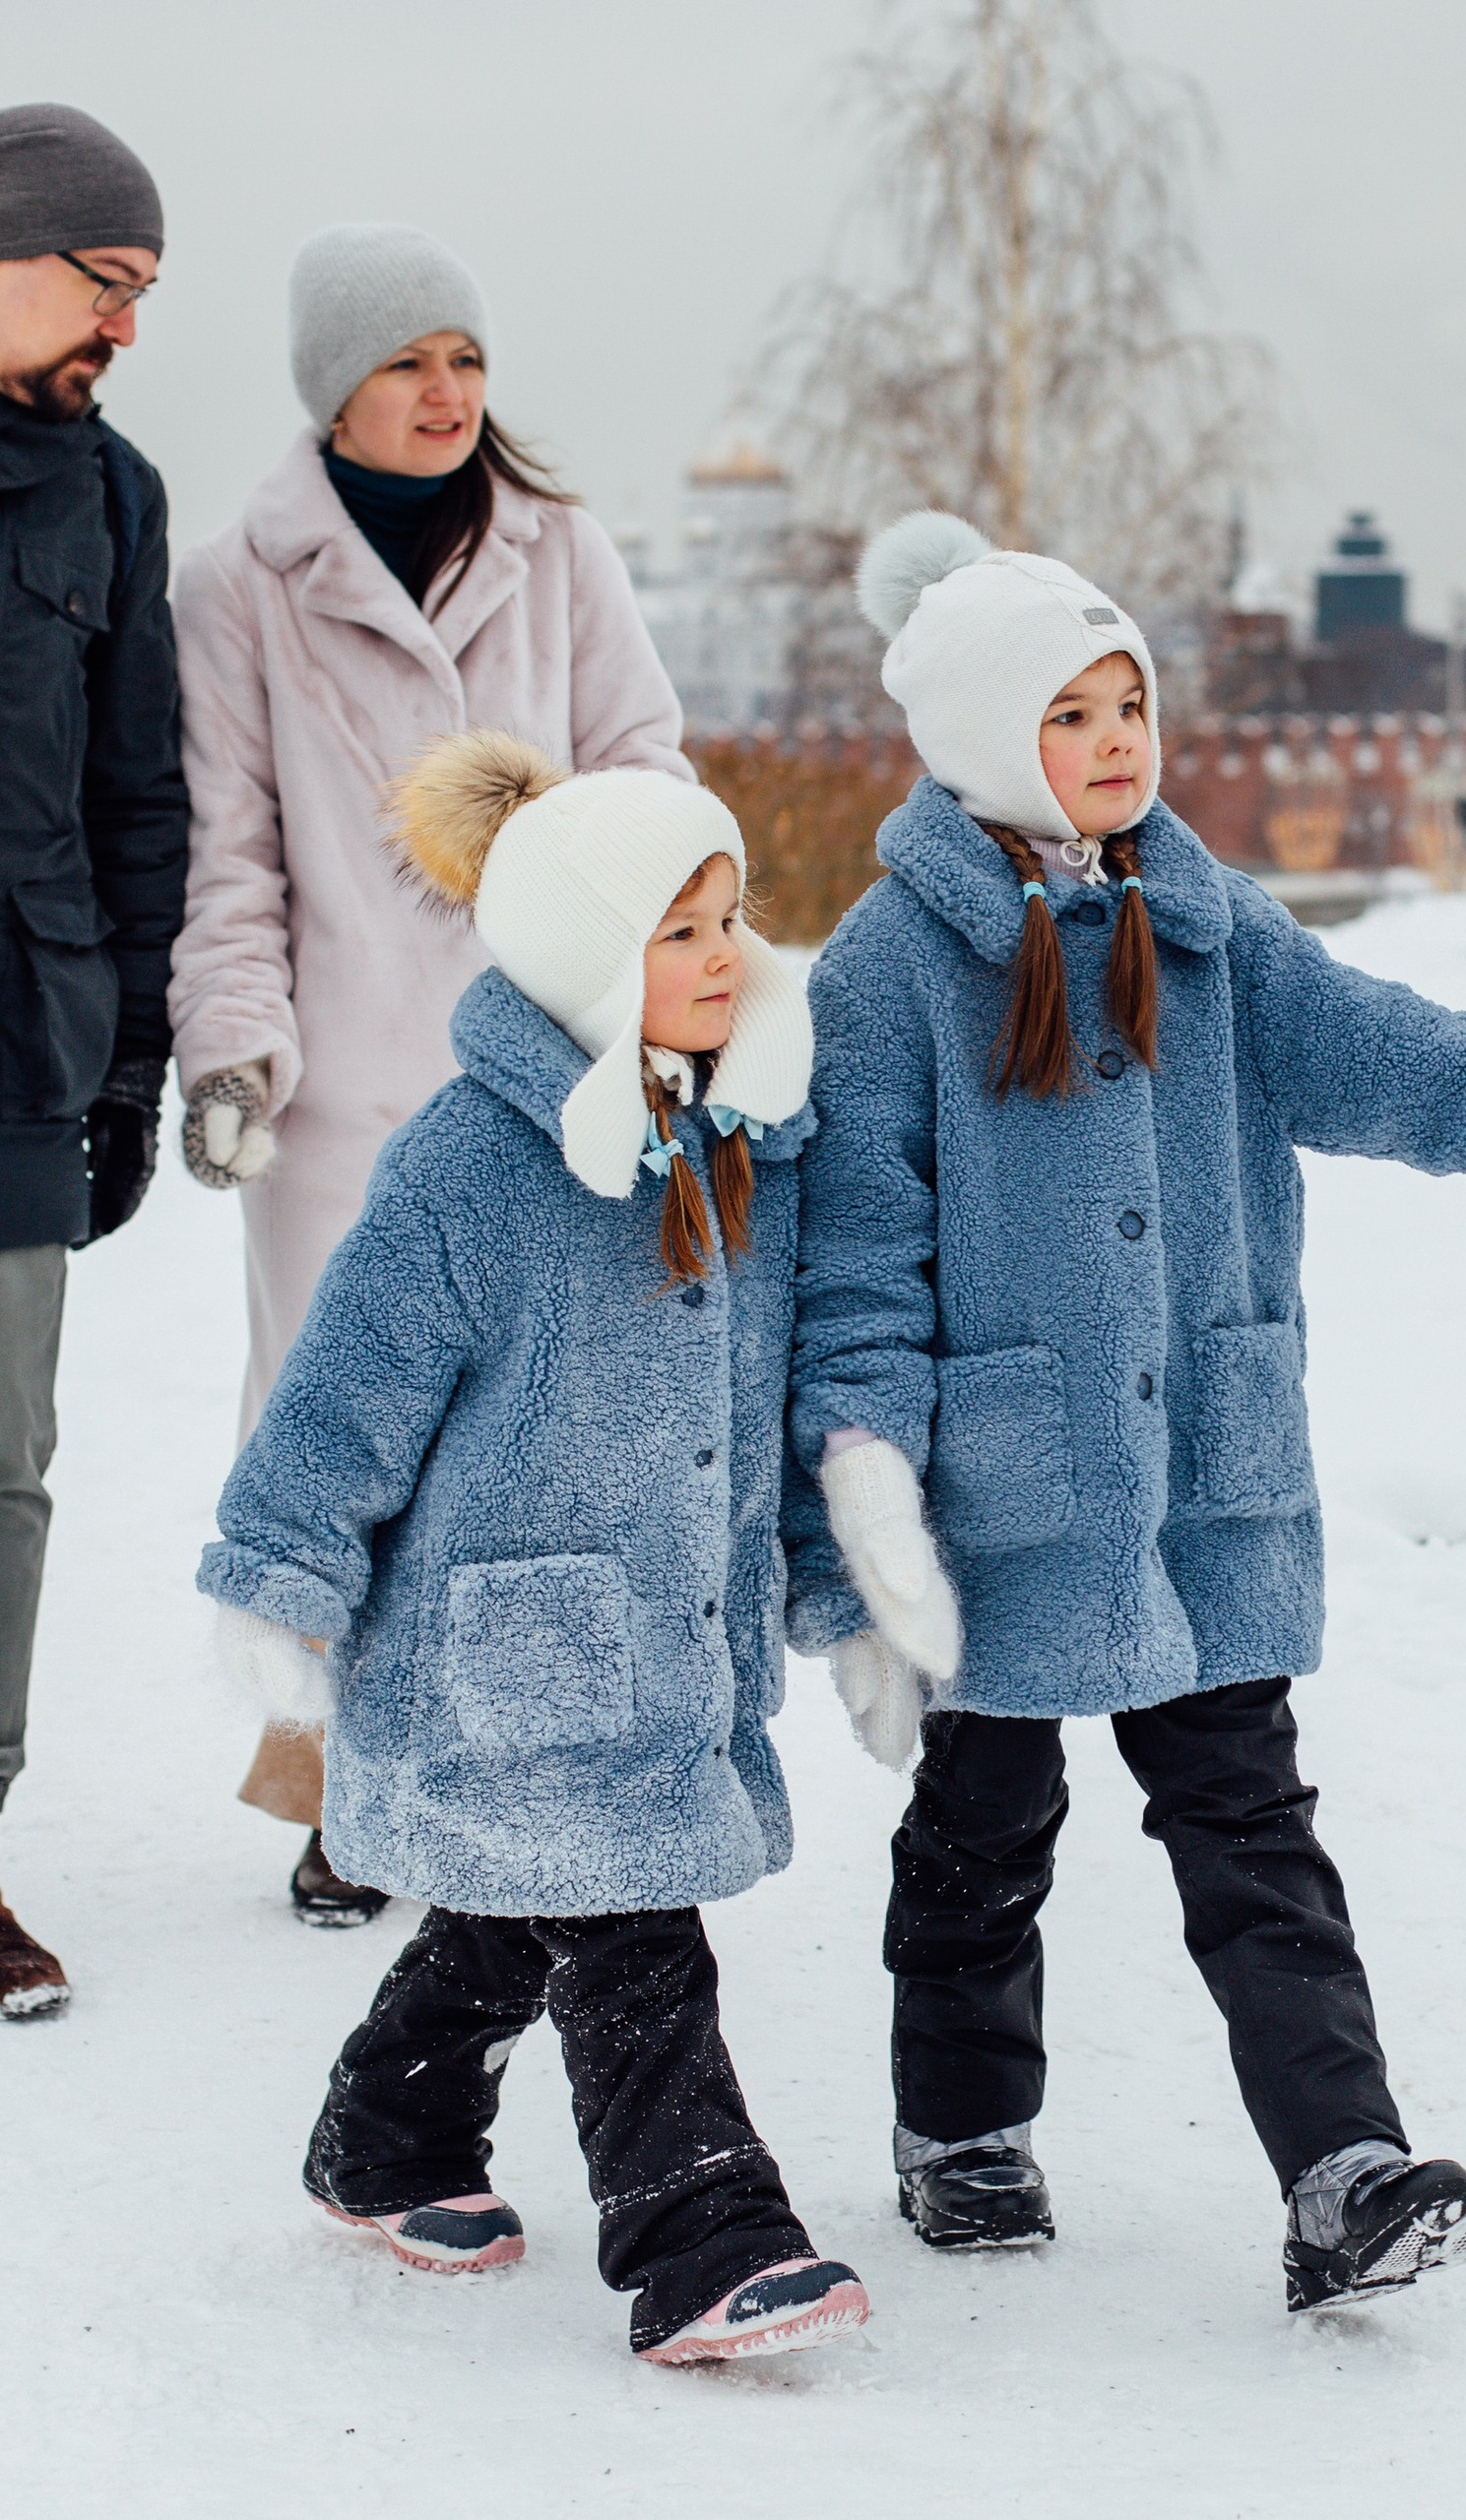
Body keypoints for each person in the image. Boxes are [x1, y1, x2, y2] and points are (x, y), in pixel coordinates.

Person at [788, 513, 1466, 2312]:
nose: (1113, 743)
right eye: (1069, 713)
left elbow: (1409, 1060)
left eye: (1129, 705)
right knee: (981, 1836)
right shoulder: (883, 975)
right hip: (1000, 1503)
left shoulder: (1209, 922)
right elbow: (854, 1272)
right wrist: (864, 1519)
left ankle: (1347, 2171)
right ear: (975, 736)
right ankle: (962, 2132)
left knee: (1254, 1830)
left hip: (1202, 1483)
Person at [199, 728, 866, 2364]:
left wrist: (834, 1585)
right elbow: (345, 1390)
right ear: (586, 961)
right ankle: (704, 2239)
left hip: (665, 1639)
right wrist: (281, 1576)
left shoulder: (743, 1145)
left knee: (512, 1919)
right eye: (682, 931)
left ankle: (388, 2140)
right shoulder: (468, 1165)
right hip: (501, 1647)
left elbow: (769, 1406)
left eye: (734, 918)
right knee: (632, 1933)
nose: (729, 958)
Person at [167, 224, 695, 1924]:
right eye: (407, 363)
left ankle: (507, 1778)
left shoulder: (557, 552)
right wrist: (236, 1046)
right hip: (348, 1093)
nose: (447, 393)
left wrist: (653, 994)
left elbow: (649, 776)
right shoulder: (236, 586)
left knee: (530, 1439)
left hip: (551, 1074)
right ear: (335, 387)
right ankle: (332, 1784)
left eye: (466, 360)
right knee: (341, 1439)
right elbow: (231, 853)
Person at [0, 104, 188, 2022]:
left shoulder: (113, 503)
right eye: (105, 283)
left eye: (146, 295)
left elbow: (143, 801)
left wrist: (131, 1062)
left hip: (17, 1042)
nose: (126, 327)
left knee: (0, 1473)